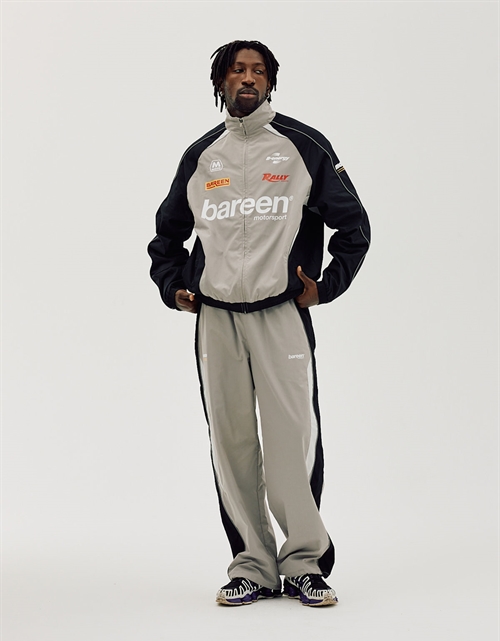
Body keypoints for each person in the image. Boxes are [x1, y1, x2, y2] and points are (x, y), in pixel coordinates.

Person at [148, 40, 370, 607]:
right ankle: (252, 565)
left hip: (280, 315)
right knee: (232, 444)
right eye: (236, 70)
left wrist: (324, 286)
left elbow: (355, 227)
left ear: (271, 82)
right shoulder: (201, 156)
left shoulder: (303, 147)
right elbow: (166, 236)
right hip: (217, 320)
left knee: (291, 441)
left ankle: (304, 564)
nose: (247, 78)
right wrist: (175, 287)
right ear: (219, 82)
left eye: (258, 71)